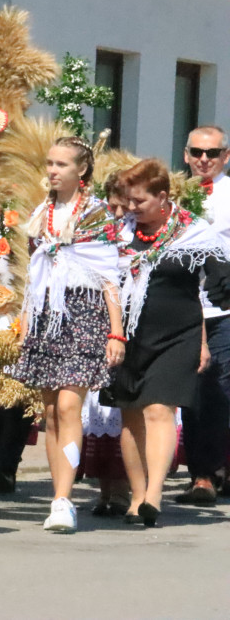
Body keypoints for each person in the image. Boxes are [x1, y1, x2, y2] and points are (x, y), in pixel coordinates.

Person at [105, 159, 230, 526]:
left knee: (159, 410)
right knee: (130, 418)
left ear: (162, 197)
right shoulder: (117, 233)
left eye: (138, 202)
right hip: (128, 335)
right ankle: (137, 494)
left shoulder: (194, 231)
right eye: (127, 201)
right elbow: (100, 277)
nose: (131, 209)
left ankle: (154, 494)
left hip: (179, 335)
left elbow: (218, 279)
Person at [13, 136, 123, 533]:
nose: (53, 171)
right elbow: (34, 269)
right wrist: (26, 315)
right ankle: (57, 497)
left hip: (83, 314)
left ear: (82, 171)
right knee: (48, 413)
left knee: (68, 406)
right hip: (47, 315)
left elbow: (109, 276)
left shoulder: (97, 215)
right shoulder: (41, 213)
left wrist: (117, 331)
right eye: (50, 163)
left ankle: (64, 499)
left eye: (61, 164)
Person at [176, 126, 230, 505]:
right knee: (194, 392)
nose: (204, 160)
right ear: (186, 154)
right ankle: (201, 473)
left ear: (226, 156)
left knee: (220, 390)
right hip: (184, 307)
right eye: (197, 152)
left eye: (212, 153)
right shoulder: (175, 195)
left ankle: (212, 470)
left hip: (224, 306)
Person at [80, 175, 131, 516]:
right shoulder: (99, 229)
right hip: (95, 320)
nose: (118, 210)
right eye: (113, 204)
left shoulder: (137, 232)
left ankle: (124, 490)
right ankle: (104, 491)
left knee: (124, 406)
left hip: (131, 321)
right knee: (99, 404)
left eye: (125, 204)